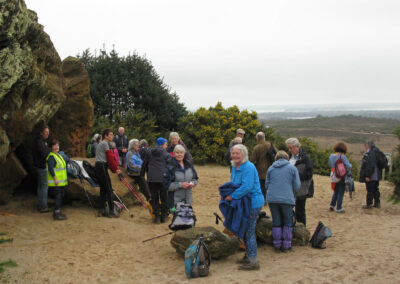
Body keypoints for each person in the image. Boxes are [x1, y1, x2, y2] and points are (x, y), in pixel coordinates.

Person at [226, 144, 264, 270]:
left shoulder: (248, 167)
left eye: (238, 153)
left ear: (244, 154)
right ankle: (248, 255)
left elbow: (247, 186)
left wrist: (232, 196)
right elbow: (233, 184)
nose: (235, 155)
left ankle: (253, 261)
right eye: (233, 153)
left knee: (249, 230)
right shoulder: (235, 167)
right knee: (244, 230)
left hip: (253, 202)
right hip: (243, 203)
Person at [265, 151, 301, 253]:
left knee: (276, 221)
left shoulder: (271, 168)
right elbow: (297, 185)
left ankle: (276, 245)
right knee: (288, 222)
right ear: (287, 158)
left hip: (272, 198)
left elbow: (267, 185)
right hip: (287, 198)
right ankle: (286, 245)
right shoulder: (292, 169)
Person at [141, 137, 171, 224]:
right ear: (162, 144)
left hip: (152, 178)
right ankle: (164, 216)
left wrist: (142, 175)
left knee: (154, 198)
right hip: (163, 178)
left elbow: (145, 164)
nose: (166, 146)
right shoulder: (166, 154)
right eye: (166, 144)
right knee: (164, 197)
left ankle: (157, 217)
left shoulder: (149, 152)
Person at [286, 138, 313, 226]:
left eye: (291, 148)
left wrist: (295, 175)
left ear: (297, 147)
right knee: (289, 210)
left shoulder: (306, 158)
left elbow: (309, 174)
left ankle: (302, 231)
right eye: (289, 148)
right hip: (290, 189)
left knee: (300, 211)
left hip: (301, 189)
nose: (289, 150)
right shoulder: (289, 157)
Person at [95, 128, 121, 218]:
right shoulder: (105, 144)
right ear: (105, 136)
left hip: (98, 166)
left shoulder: (100, 144)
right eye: (110, 134)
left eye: (112, 134)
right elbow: (110, 157)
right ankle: (111, 211)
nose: (112, 136)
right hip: (102, 166)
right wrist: (115, 169)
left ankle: (101, 209)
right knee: (109, 189)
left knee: (103, 189)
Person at [46, 140, 68, 221]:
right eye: (54, 145)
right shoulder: (51, 157)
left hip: (61, 181)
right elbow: (50, 168)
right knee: (58, 196)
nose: (57, 147)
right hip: (56, 181)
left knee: (61, 196)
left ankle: (58, 211)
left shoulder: (58, 155)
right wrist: (55, 178)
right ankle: (56, 212)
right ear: (51, 147)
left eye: (58, 145)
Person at [32, 125, 52, 212]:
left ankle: (40, 204)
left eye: (48, 132)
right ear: (41, 132)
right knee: (44, 186)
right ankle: (43, 206)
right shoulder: (39, 142)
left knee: (41, 186)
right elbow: (45, 152)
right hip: (42, 166)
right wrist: (49, 150)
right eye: (46, 132)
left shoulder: (40, 141)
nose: (47, 134)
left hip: (39, 165)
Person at [250, 131, 274, 201]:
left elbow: (252, 160)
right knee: (270, 186)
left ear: (258, 139)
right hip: (270, 168)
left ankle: (264, 200)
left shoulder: (256, 148)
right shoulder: (270, 145)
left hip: (260, 170)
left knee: (262, 186)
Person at [329, 142, 352, 213]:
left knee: (335, 190)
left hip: (333, 175)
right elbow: (349, 166)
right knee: (341, 192)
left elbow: (330, 165)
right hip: (341, 175)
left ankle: (332, 205)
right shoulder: (342, 157)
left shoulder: (331, 156)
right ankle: (339, 208)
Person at [359, 140, 382, 209]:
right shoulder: (376, 152)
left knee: (370, 190)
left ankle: (369, 204)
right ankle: (377, 203)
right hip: (377, 175)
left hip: (372, 175)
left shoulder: (370, 153)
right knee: (376, 189)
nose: (365, 147)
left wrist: (368, 175)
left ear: (368, 146)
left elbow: (370, 165)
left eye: (365, 145)